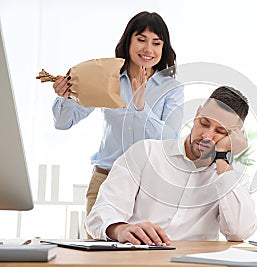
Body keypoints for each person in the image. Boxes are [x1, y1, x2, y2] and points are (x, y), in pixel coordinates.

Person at [85, 86, 257, 245]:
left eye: (220, 132)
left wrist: (222, 157)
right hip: (137, 258)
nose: (206, 135)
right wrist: (120, 229)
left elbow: (239, 232)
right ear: (197, 114)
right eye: (204, 123)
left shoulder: (230, 177)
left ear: (233, 137)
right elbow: (101, 213)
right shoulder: (146, 152)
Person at [51, 11, 184, 215]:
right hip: (106, 180)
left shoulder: (171, 88)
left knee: (145, 247)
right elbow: (63, 123)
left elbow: (169, 140)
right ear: (128, 41)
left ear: (163, 48)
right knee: (98, 246)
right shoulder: (106, 79)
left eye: (156, 43)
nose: (148, 49)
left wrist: (141, 108)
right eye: (141, 40)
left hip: (150, 187)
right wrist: (66, 97)